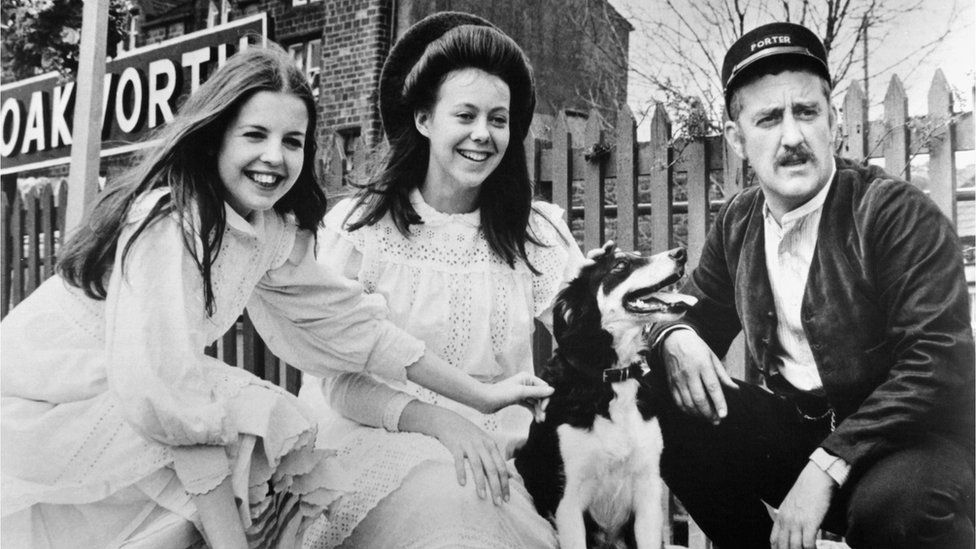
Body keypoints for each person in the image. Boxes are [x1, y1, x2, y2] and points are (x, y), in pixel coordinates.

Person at [0, 44, 552, 549]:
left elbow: (354, 329)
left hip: (139, 389)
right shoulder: (172, 226)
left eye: (292, 142)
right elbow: (164, 396)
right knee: (234, 448)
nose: (274, 158)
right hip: (54, 389)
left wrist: (481, 397)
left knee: (244, 468)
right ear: (215, 134)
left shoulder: (265, 231)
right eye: (254, 135)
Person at [644, 21, 975, 549]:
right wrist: (673, 336)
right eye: (769, 119)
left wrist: (829, 462)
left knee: (895, 511)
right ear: (736, 140)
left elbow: (940, 361)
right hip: (799, 432)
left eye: (807, 112)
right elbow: (689, 308)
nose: (792, 137)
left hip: (910, 444)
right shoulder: (737, 223)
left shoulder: (893, 213)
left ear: (834, 122)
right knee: (656, 396)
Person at [298, 12, 584, 549]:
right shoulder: (361, 229)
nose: (483, 134)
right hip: (374, 435)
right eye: (466, 115)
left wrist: (669, 338)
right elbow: (335, 377)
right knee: (449, 508)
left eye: (498, 120)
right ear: (425, 120)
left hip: (494, 451)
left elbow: (593, 323)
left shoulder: (536, 232)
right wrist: (443, 424)